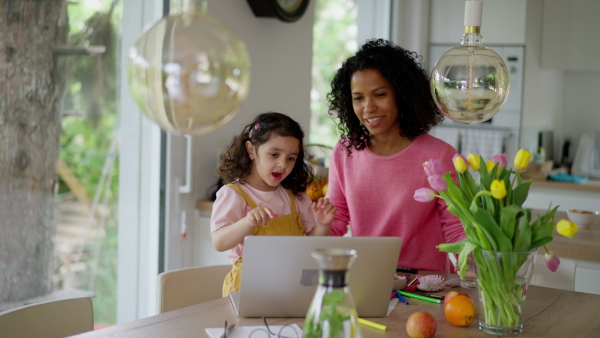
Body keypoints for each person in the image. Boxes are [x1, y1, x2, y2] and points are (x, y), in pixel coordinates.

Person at [325, 39, 466, 273]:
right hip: (367, 279)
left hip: (424, 285)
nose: (368, 107)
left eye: (379, 95)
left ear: (402, 95)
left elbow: (456, 229)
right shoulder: (344, 151)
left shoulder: (439, 156)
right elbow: (335, 220)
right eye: (358, 98)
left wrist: (480, 265)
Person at [211, 112, 336, 296]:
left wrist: (323, 224)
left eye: (291, 158)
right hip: (248, 288)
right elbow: (219, 242)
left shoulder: (297, 197)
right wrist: (248, 222)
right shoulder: (234, 194)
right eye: (274, 154)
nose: (282, 164)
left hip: (292, 285)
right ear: (251, 150)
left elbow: (311, 246)